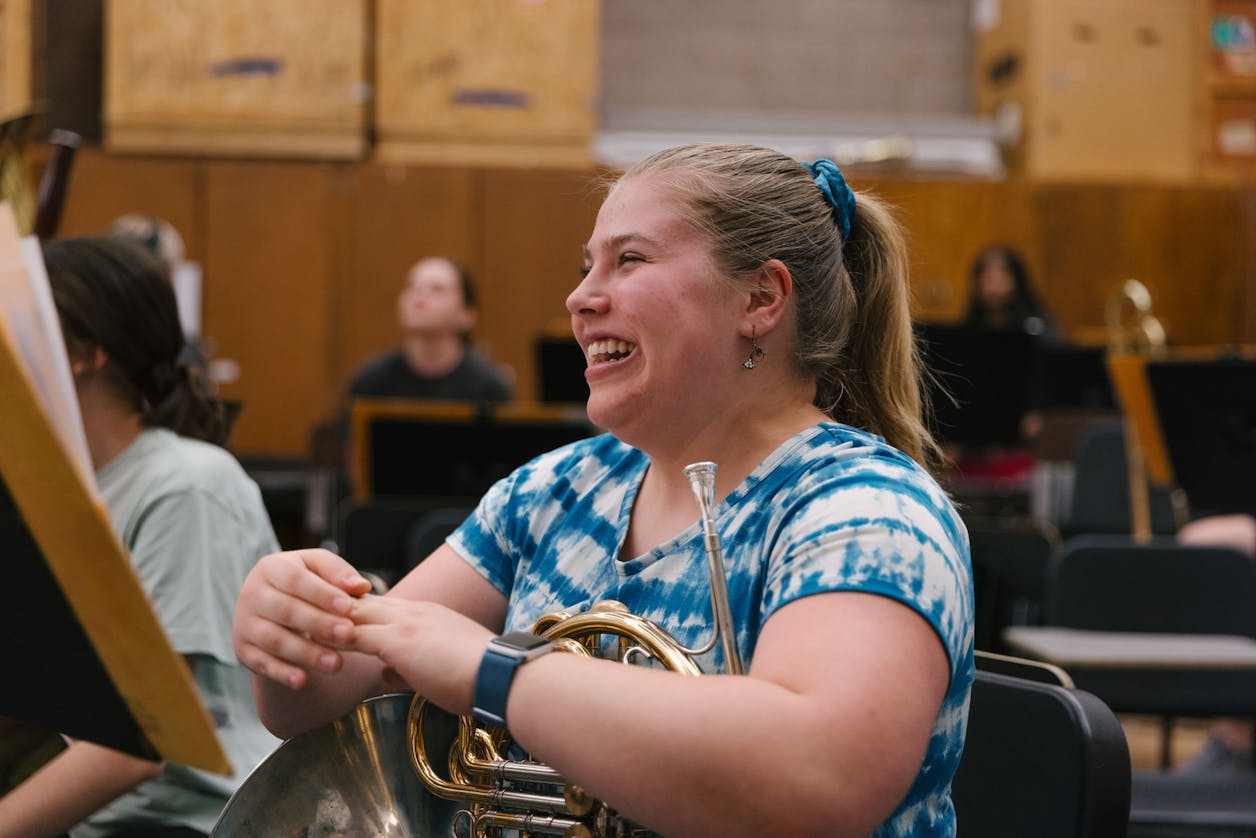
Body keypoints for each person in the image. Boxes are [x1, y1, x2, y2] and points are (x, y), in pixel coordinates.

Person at [233, 143, 974, 837]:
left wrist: (492, 672)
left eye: (629, 260)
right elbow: (321, 704)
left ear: (761, 298)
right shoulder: (559, 489)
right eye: (587, 266)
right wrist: (290, 631)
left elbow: (822, 774)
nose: (581, 298)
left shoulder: (868, 507)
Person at [0, 238, 281, 837]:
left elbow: (132, 747)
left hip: (195, 824)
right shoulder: (60, 490)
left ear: (83, 354)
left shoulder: (185, 486)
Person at [346, 256, 513, 403]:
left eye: (436, 289)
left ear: (467, 314)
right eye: (412, 286)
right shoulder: (372, 381)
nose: (420, 296)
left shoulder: (488, 387)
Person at [962, 243, 1060, 343]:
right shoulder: (966, 329)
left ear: (1017, 280)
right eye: (987, 276)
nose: (994, 284)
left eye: (1002, 275)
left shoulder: (1035, 328)